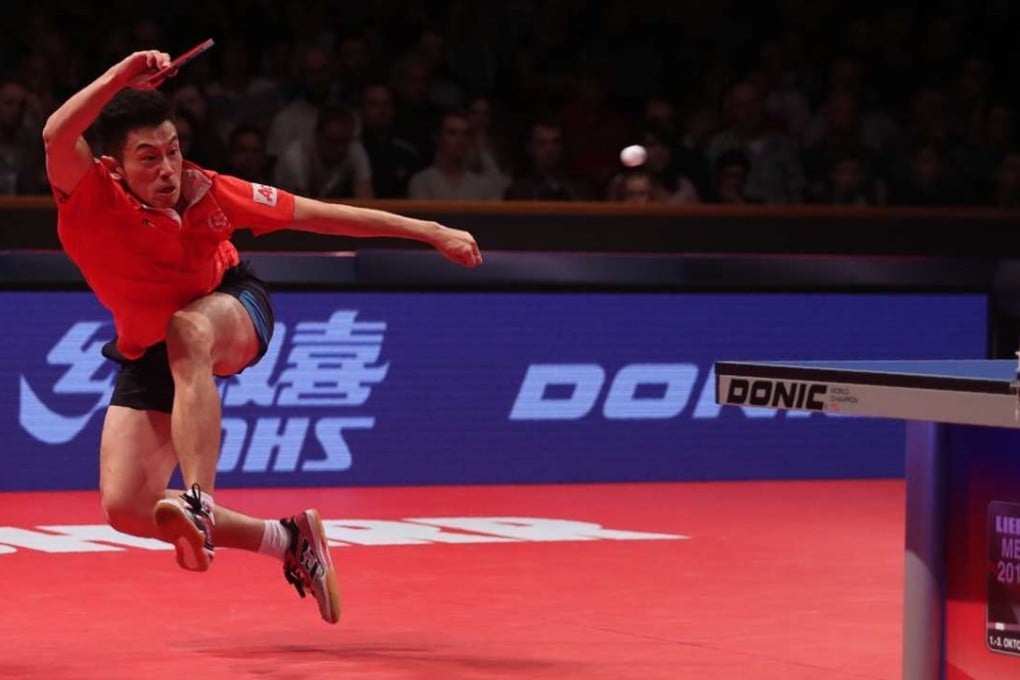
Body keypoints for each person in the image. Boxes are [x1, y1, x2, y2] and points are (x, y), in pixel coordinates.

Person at [41, 50, 482, 624]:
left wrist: (431, 230)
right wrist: (122, 75)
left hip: (232, 306)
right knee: (125, 507)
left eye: (173, 150)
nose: (169, 169)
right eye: (149, 158)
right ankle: (289, 540)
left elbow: (320, 215)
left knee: (188, 328)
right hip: (149, 347)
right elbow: (56, 133)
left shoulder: (208, 192)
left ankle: (200, 502)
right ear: (115, 167)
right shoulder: (89, 194)